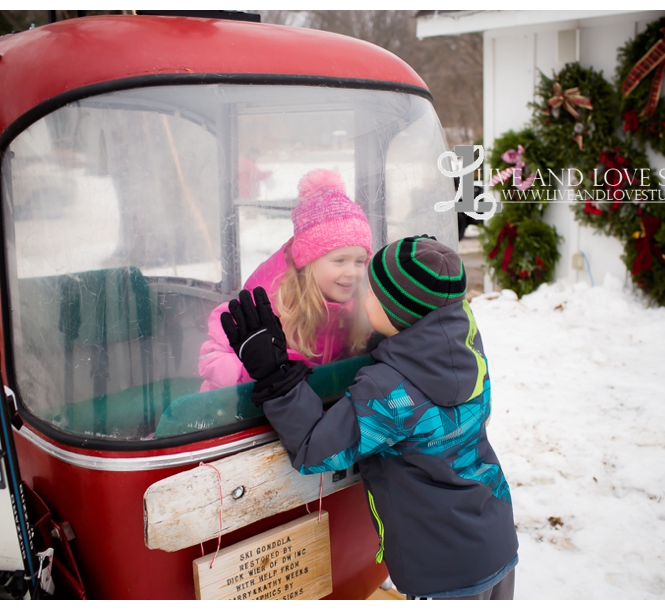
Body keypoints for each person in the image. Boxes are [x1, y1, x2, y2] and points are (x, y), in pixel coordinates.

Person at [220, 236, 519, 600]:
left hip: (443, 570)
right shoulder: (464, 347)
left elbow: (317, 449)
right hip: (494, 538)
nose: (362, 298)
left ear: (396, 312)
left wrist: (276, 376)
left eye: (372, 294)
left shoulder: (388, 389)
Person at [198, 169, 372, 392]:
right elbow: (211, 358)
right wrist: (257, 370)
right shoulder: (266, 303)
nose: (352, 272)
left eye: (360, 261)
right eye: (340, 260)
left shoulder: (358, 307)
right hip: (235, 417)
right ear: (307, 261)